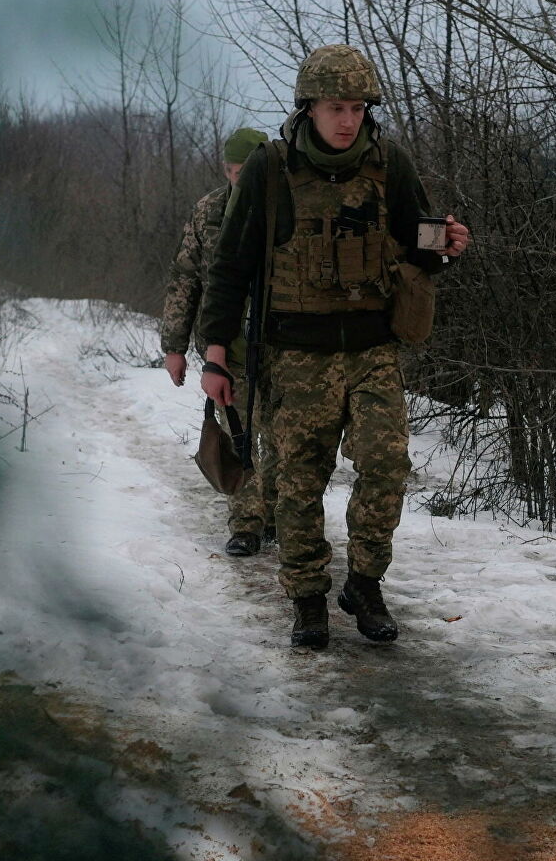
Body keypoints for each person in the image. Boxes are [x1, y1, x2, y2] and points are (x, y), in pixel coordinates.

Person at [199, 45, 470, 649]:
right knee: (298, 479)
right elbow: (229, 269)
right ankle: (308, 599)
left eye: (356, 107)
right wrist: (215, 355)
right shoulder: (270, 170)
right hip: (295, 355)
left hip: (372, 349)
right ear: (309, 108)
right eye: (334, 107)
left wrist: (446, 242)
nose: (346, 119)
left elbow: (414, 237)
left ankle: (365, 584)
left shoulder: (387, 162)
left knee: (387, 465)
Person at [159, 126, 277, 557]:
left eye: (253, 171)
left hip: (283, 345)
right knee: (239, 433)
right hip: (224, 346)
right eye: (236, 171)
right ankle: (246, 521)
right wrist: (174, 346)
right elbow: (184, 279)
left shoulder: (288, 210)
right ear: (227, 170)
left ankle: (278, 511)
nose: (244, 179)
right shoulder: (208, 212)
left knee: (280, 435)